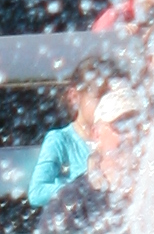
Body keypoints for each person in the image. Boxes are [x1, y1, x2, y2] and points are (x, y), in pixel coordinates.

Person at [25, 63, 139, 222]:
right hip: (77, 212)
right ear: (74, 97)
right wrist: (78, 189)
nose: (107, 101)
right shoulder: (60, 140)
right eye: (100, 96)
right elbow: (36, 193)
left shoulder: (118, 141)